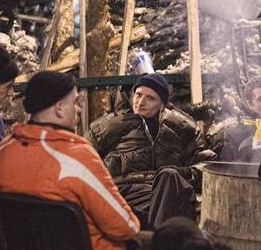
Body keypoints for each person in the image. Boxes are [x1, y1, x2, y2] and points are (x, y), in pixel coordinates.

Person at [0, 71, 140, 250]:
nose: (78, 110)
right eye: (76, 102)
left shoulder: (4, 150)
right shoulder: (76, 157)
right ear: (60, 109)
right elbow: (125, 227)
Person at [89, 72, 214, 229]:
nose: (141, 102)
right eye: (138, 94)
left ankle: (155, 241)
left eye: (150, 98)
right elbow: (84, 163)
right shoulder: (108, 127)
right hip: (125, 195)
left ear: (162, 103)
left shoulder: (182, 127)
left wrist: (183, 173)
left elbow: (208, 166)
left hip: (169, 194)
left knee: (169, 177)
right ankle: (160, 240)